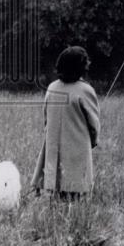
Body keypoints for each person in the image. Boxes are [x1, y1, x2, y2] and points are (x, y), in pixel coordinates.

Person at [31, 46, 101, 201]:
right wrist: (94, 141)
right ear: (81, 67)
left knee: (56, 186)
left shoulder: (52, 88)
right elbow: (94, 124)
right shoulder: (85, 90)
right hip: (78, 148)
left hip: (53, 145)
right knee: (76, 191)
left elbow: (46, 118)